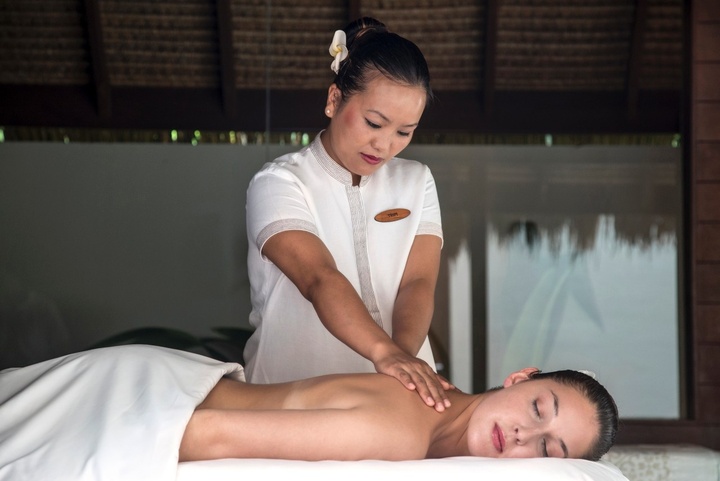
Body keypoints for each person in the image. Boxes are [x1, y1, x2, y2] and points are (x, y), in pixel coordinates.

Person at [244, 17, 449, 411]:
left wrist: (402, 362)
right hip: (290, 399)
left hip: (398, 402)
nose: (384, 145)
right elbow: (319, 278)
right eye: (374, 123)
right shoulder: (279, 183)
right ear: (334, 99)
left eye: (404, 132)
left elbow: (417, 283)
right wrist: (386, 355)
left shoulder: (417, 180)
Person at [180, 362, 618, 462]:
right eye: (538, 409)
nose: (524, 434)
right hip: (172, 402)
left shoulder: (430, 436)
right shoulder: (401, 434)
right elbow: (207, 433)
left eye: (547, 450)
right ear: (520, 378)